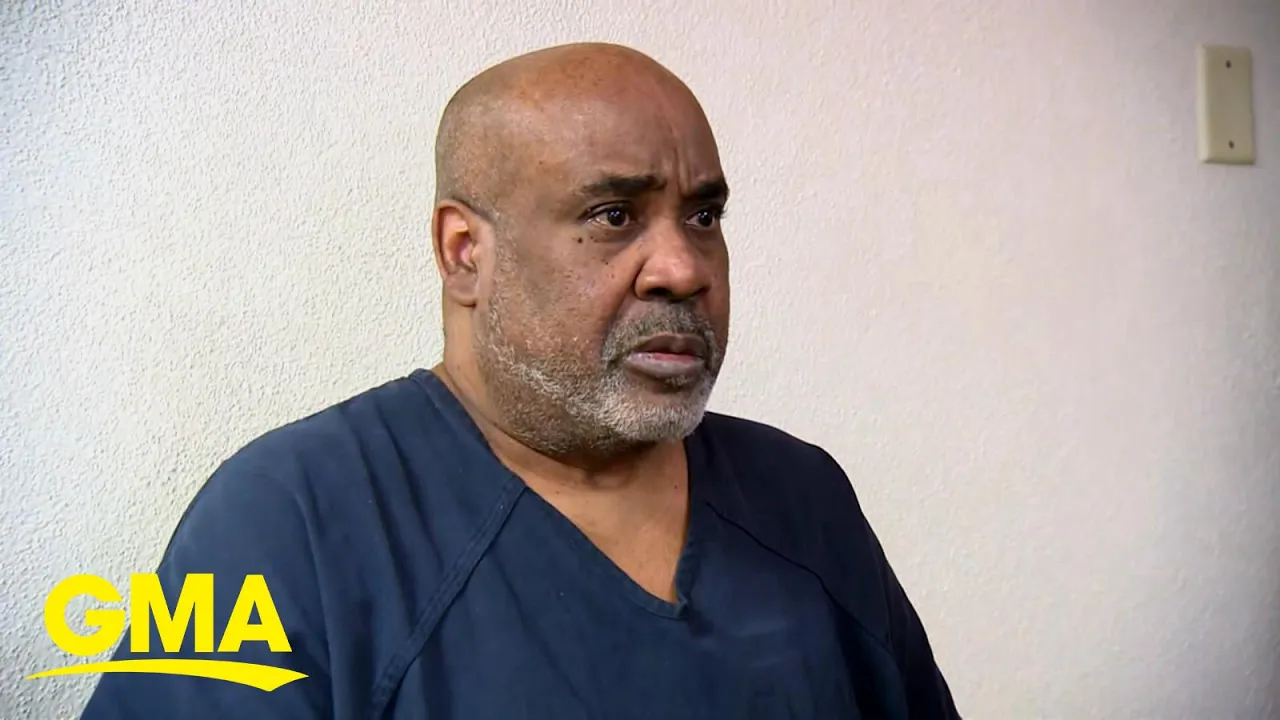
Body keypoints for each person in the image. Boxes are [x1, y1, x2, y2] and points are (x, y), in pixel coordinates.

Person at [79, 42, 959, 719]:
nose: (684, 268)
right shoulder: (285, 519)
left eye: (703, 215)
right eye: (613, 214)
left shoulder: (801, 497)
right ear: (466, 253)